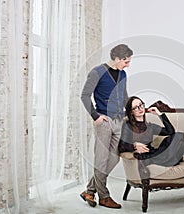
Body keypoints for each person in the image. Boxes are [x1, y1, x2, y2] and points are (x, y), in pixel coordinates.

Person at [80, 44, 133, 209]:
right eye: (126, 61)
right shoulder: (97, 72)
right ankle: (104, 196)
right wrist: (95, 116)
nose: (128, 65)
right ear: (117, 59)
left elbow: (125, 98)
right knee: (101, 160)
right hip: (104, 122)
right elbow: (85, 95)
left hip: (119, 121)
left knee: (114, 158)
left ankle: (89, 190)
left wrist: (134, 112)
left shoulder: (123, 74)